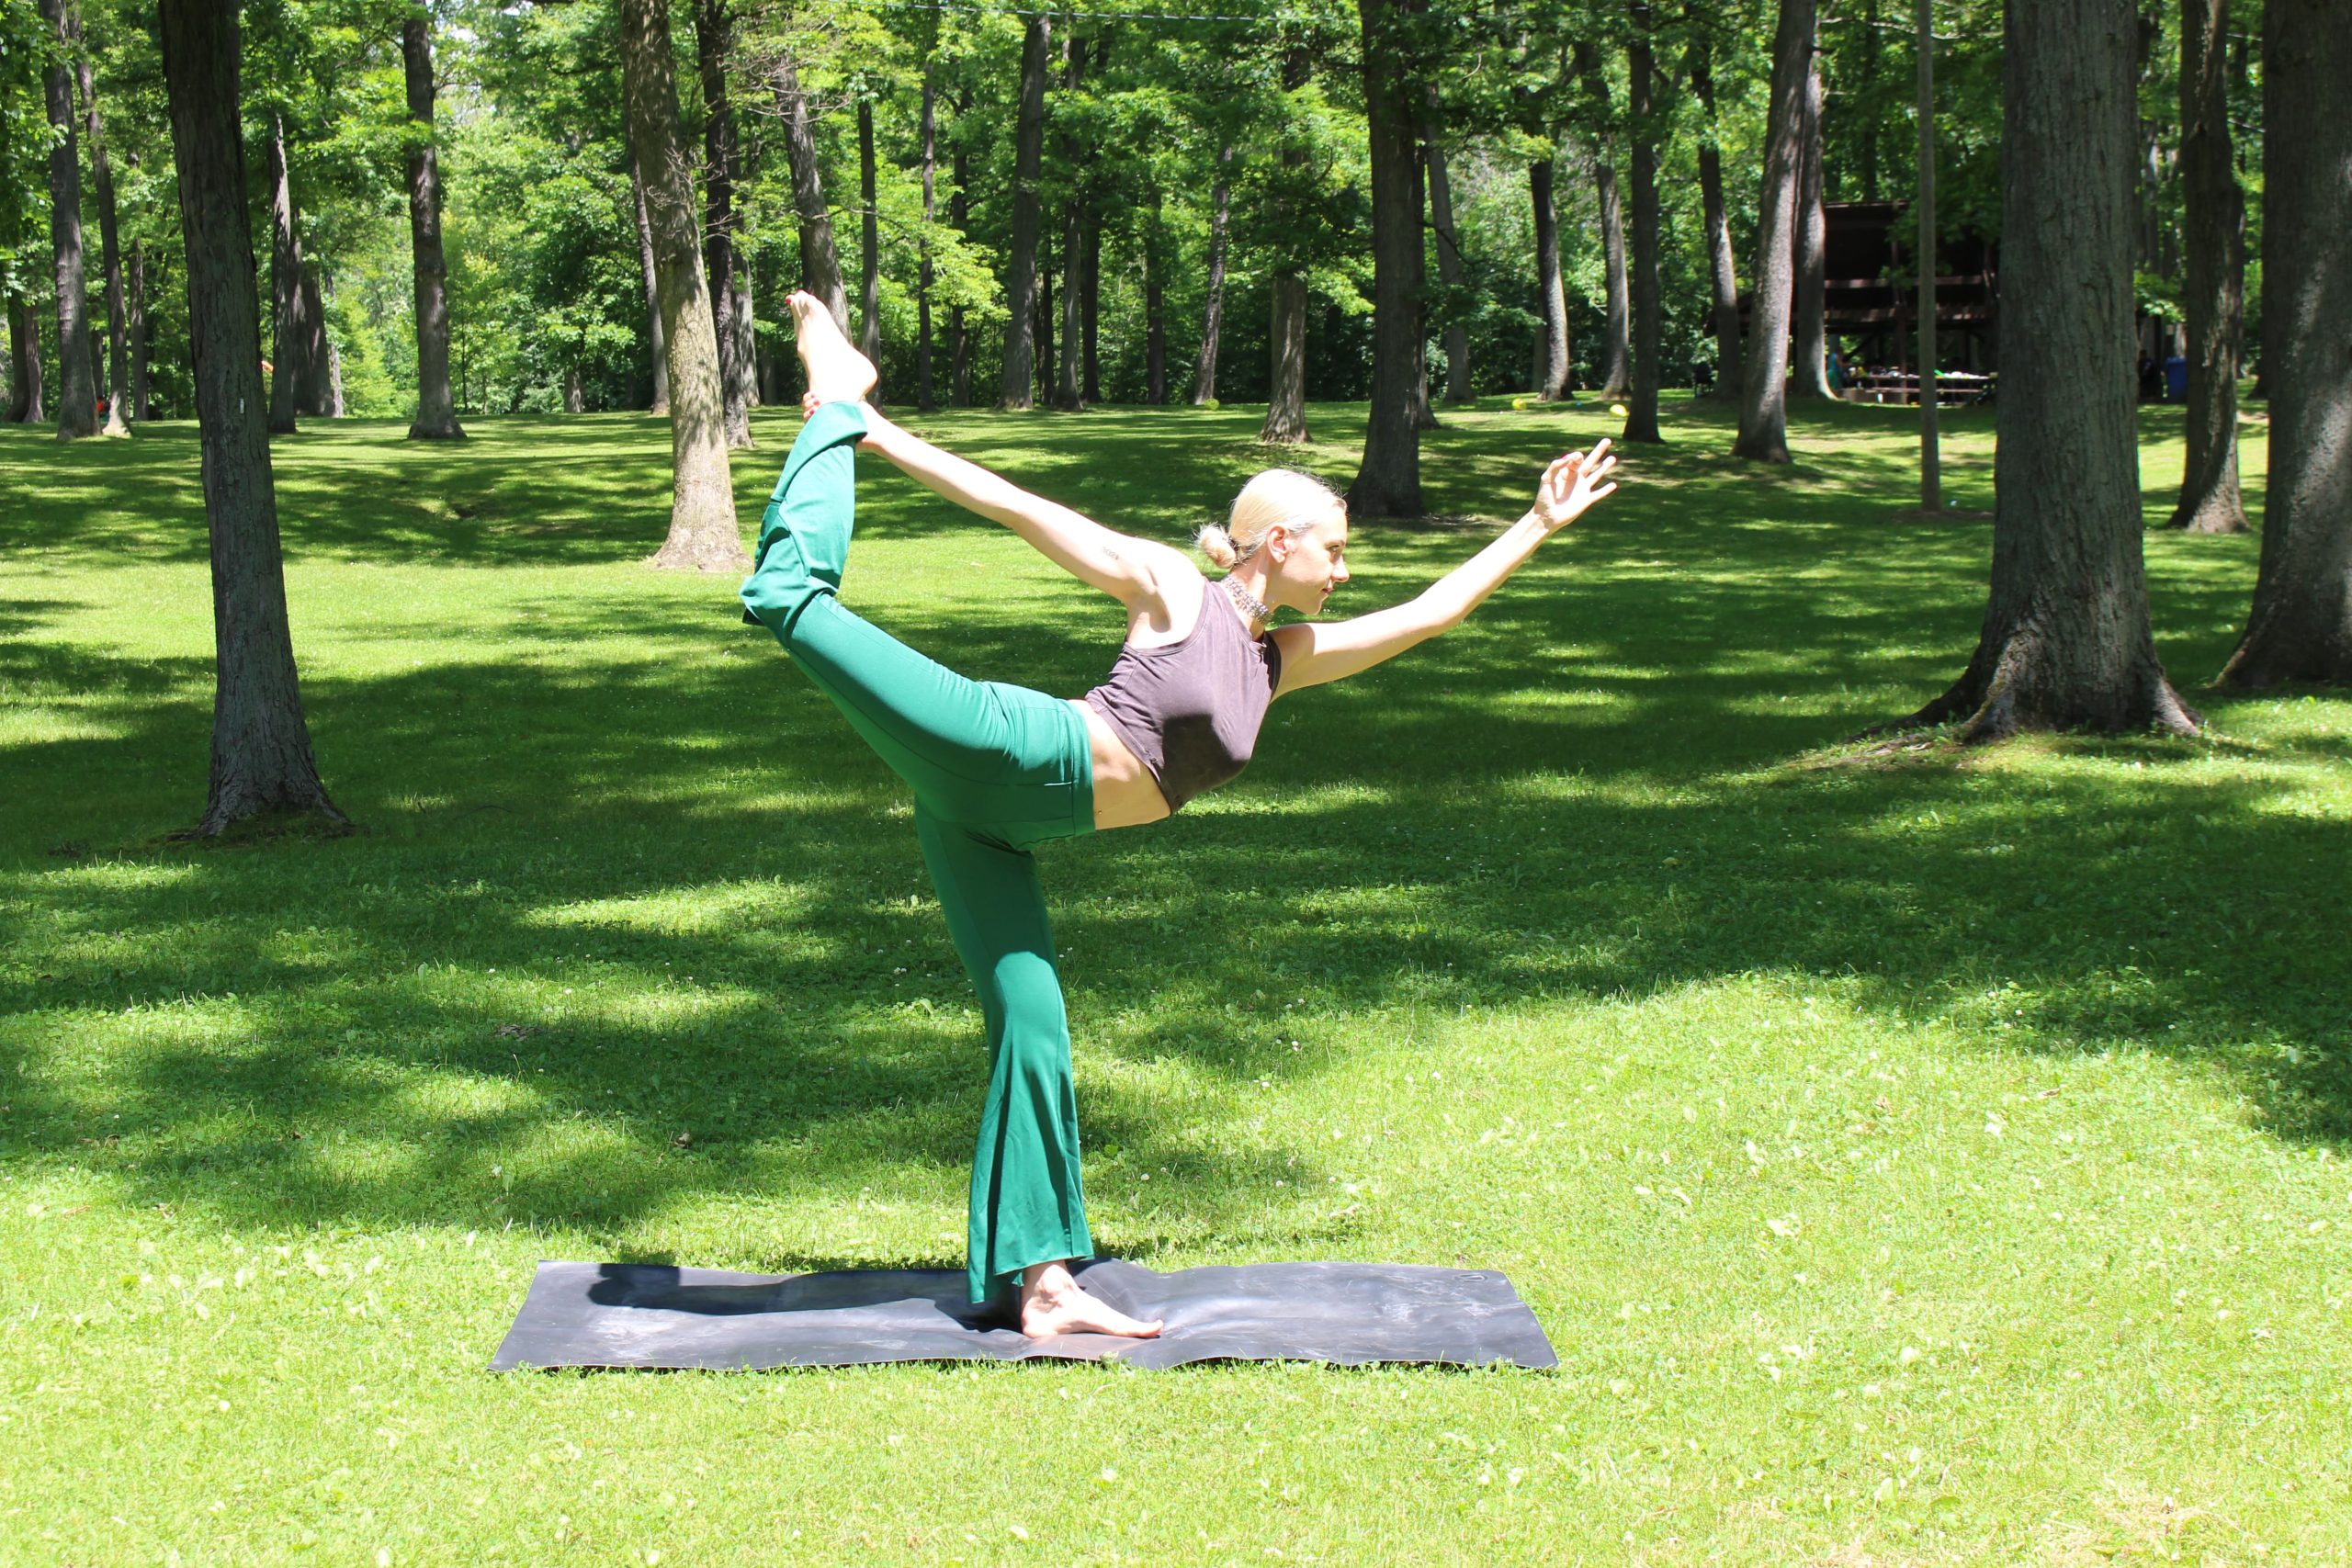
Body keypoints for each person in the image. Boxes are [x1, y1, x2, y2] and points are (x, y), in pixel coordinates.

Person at [741, 291, 1620, 1339]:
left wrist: (1533, 523)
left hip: (998, 825)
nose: (1344, 571)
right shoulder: (1174, 591)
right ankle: (835, 396)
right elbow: (1022, 509)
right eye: (1333, 551)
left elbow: (1432, 614)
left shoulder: (1279, 660)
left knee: (1033, 1030)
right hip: (1011, 747)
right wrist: (869, 430)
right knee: (786, 600)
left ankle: (1045, 1287)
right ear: (1277, 541)